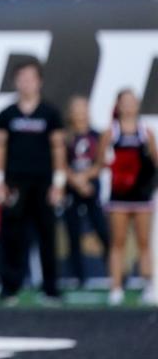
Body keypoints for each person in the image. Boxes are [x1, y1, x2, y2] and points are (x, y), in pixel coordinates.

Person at [0, 59, 66, 304]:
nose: (26, 83)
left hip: (43, 182)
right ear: (15, 82)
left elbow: (58, 148)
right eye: (22, 78)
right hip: (15, 182)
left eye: (31, 78)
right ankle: (9, 287)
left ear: (39, 82)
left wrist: (59, 182)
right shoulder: (7, 114)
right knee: (13, 235)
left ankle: (50, 288)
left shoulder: (50, 113)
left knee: (47, 235)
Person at [97, 90, 158, 306]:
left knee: (144, 243)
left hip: (141, 197)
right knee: (118, 242)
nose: (129, 106)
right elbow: (100, 162)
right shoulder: (111, 133)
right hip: (119, 195)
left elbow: (154, 161)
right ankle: (116, 287)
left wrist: (142, 177)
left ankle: (149, 285)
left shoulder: (145, 132)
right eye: (125, 102)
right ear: (118, 105)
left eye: (132, 102)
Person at [62, 96, 109, 289]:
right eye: (77, 109)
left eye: (84, 108)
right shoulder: (65, 137)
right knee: (72, 233)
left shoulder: (97, 136)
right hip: (71, 191)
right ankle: (79, 277)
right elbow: (61, 164)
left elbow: (101, 162)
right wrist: (75, 180)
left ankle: (115, 273)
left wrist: (85, 178)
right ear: (70, 112)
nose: (80, 113)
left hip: (91, 189)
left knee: (103, 231)